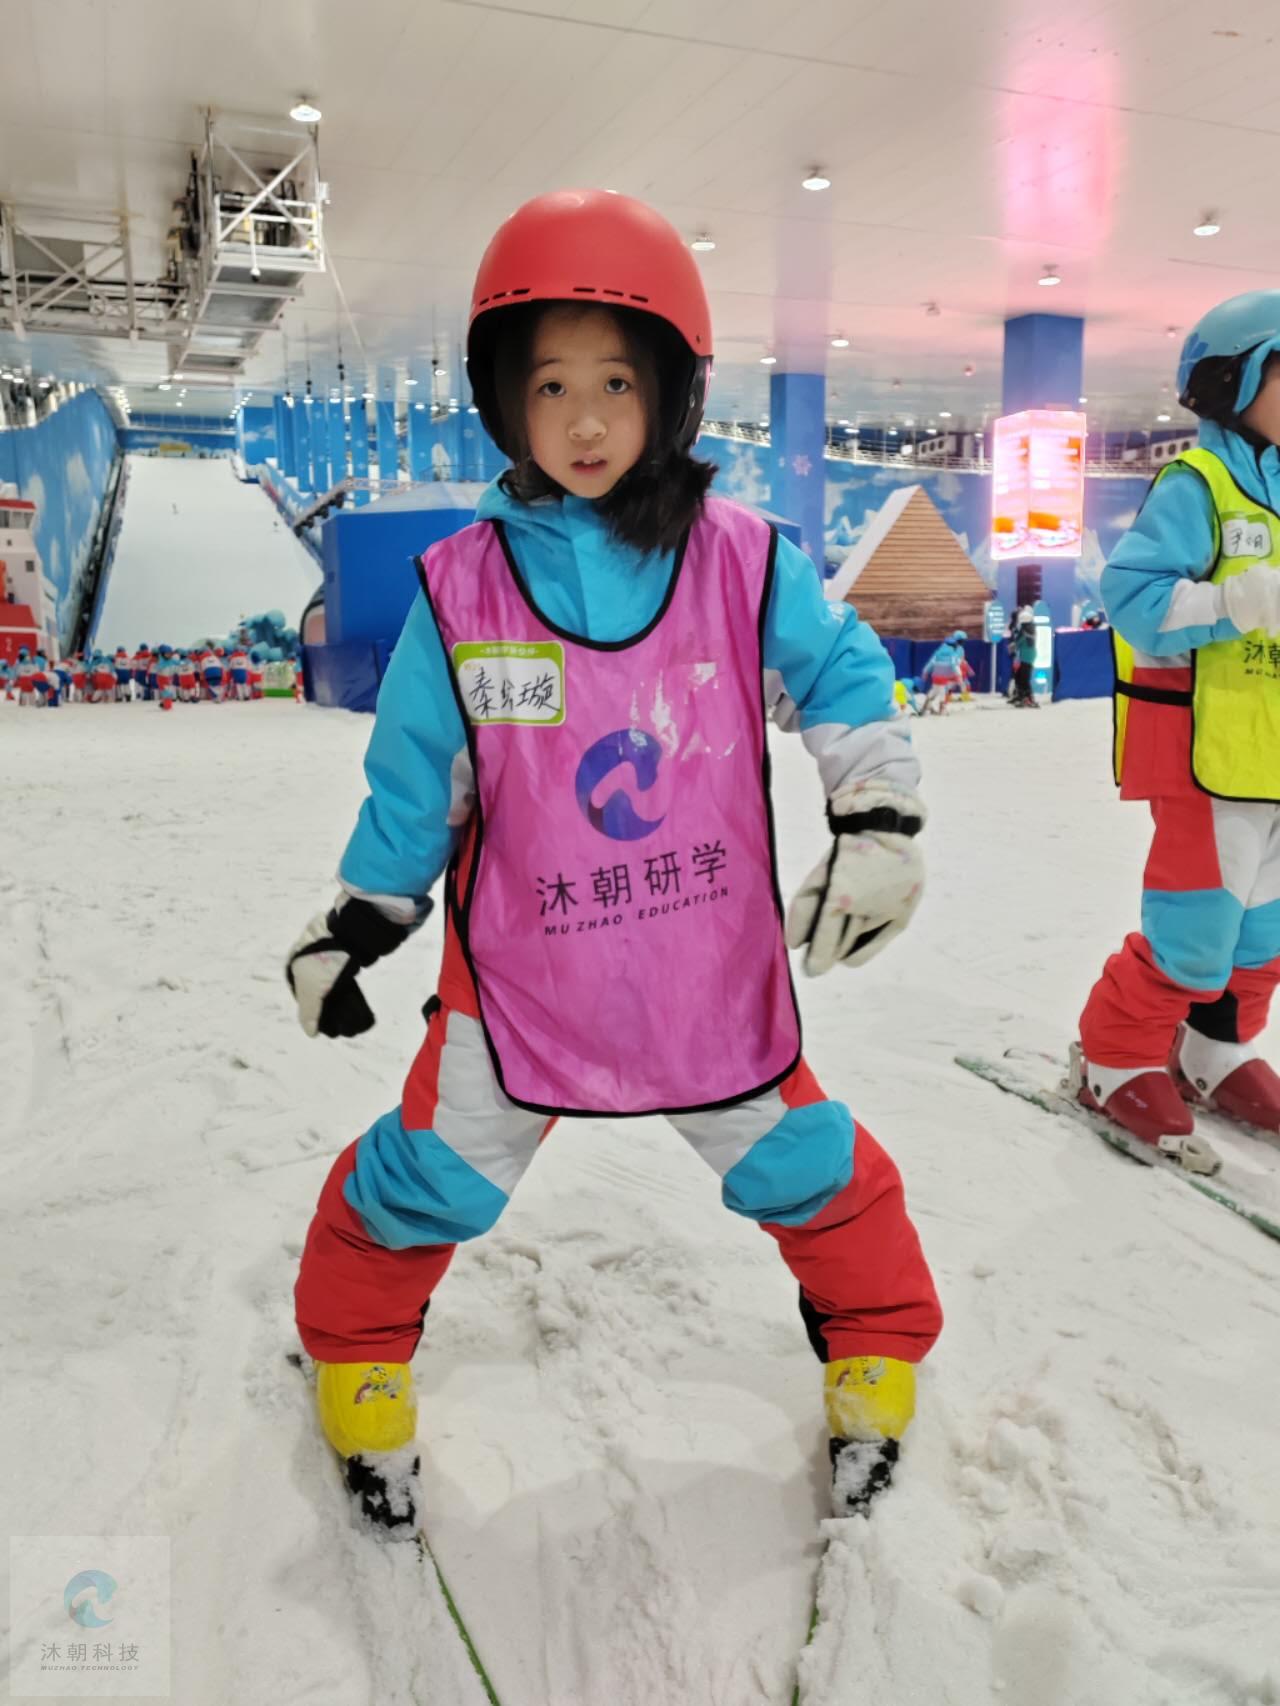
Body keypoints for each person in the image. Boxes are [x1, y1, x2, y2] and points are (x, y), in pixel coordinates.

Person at [285, 189, 942, 1536]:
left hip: (703, 970)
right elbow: (417, 776)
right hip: (524, 980)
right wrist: (359, 917)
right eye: (550, 385)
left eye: (616, 383)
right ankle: (354, 1348)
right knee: (432, 1174)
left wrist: (877, 817)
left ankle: (875, 1333)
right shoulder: (462, 589)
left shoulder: (741, 562)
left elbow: (840, 675)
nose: (584, 420)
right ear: (503, 399)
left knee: (805, 1161)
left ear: (671, 395)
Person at [1076, 290, 1280, 1161]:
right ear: (1233, 381)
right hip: (1210, 760)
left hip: (1275, 761)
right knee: (1195, 929)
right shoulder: (1199, 484)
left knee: (1266, 934)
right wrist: (1235, 601)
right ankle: (1116, 1054)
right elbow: (1132, 598)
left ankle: (1214, 1048)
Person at [1009, 615, 1038, 707]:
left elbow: (1018, 642)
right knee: (1019, 676)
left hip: (1026, 657)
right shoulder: (1031, 628)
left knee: (1024, 678)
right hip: (1029, 656)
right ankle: (1020, 695)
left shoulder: (1024, 630)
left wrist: (1012, 647)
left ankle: (1028, 698)